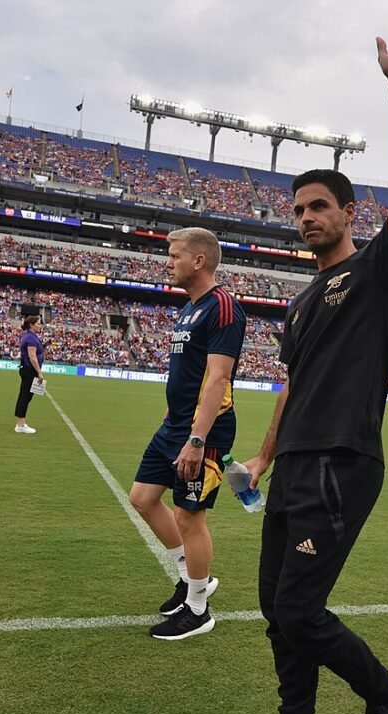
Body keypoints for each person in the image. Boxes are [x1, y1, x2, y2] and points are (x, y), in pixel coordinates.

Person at [225, 9, 388, 714]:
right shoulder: (299, 301)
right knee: (273, 609)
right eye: (298, 209)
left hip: (344, 461)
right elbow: (292, 388)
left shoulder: (377, 271)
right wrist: (259, 459)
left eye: (319, 205)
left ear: (348, 212)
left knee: (298, 607)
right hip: (293, 467)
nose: (306, 217)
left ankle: (386, 692)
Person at [128, 227, 246, 640]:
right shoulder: (188, 308)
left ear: (199, 261)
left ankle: (198, 609)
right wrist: (169, 420)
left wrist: (197, 439)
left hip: (204, 431)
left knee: (189, 515)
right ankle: (189, 576)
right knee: (142, 499)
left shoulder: (223, 307)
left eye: (174, 256)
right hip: (173, 425)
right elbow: (186, 375)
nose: (168, 263)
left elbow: (217, 379)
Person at [14, 314, 45, 434]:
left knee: (26, 396)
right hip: (29, 370)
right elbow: (32, 356)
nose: (40, 325)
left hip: (27, 369)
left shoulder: (30, 336)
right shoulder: (31, 338)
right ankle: (20, 424)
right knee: (25, 396)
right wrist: (39, 372)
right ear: (31, 325)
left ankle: (21, 422)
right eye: (38, 323)